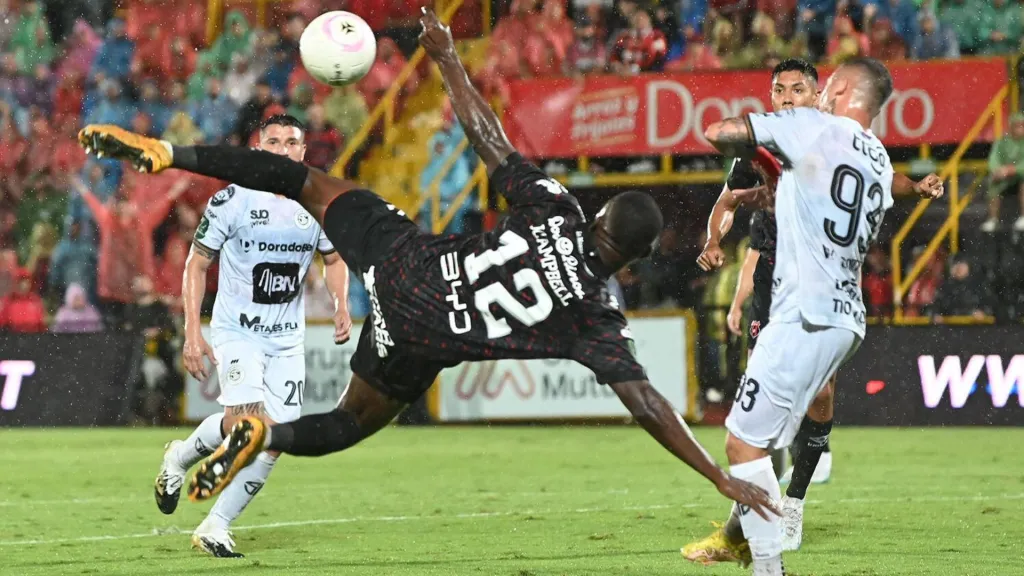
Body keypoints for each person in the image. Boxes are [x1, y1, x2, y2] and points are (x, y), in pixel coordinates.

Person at [78, 7, 778, 533]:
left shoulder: (556, 208)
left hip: (404, 263)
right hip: (422, 337)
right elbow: (649, 405)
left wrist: (445, 59)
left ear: (597, 221)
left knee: (304, 183)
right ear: (636, 256)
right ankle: (269, 434)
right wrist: (717, 476)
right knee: (346, 423)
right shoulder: (594, 317)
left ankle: (172, 153)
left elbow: (487, 137)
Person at [689, 58, 943, 563]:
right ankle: (746, 530)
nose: (789, 98)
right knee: (756, 440)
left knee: (744, 443)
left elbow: (718, 131)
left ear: (831, 91)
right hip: (838, 311)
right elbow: (754, 205)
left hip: (803, 307)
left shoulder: (807, 131)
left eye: (809, 88)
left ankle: (773, 541)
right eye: (778, 91)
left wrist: (755, 132)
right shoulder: (870, 154)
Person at [150, 114, 353, 558]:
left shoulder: (318, 204)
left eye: (291, 142)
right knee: (252, 424)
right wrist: (192, 332)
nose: (283, 150)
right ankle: (206, 508)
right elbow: (197, 264)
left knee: (274, 440)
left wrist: (341, 304)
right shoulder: (233, 200)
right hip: (236, 331)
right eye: (274, 142)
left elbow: (334, 259)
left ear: (304, 151)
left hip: (286, 340)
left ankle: (193, 482)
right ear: (260, 150)